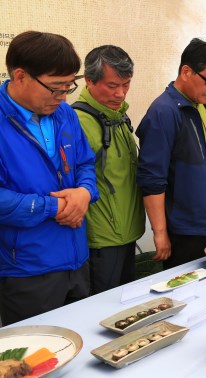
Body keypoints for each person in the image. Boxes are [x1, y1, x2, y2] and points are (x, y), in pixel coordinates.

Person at [0, 31, 99, 324]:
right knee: (38, 360)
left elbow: (85, 164)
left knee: (81, 347)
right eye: (56, 88)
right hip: (28, 270)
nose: (64, 96)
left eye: (69, 86)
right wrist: (53, 207)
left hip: (76, 258)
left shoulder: (65, 114)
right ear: (20, 76)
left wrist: (83, 193)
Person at [136, 38, 206, 270]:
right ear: (186, 71)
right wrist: (160, 233)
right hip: (187, 231)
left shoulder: (205, 107)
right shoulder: (164, 112)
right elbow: (152, 179)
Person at [73, 45, 145, 294]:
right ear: (90, 81)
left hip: (127, 232)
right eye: (113, 86)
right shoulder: (77, 122)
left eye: (126, 85)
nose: (121, 94)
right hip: (101, 240)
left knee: (126, 306)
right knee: (103, 310)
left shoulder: (118, 117)